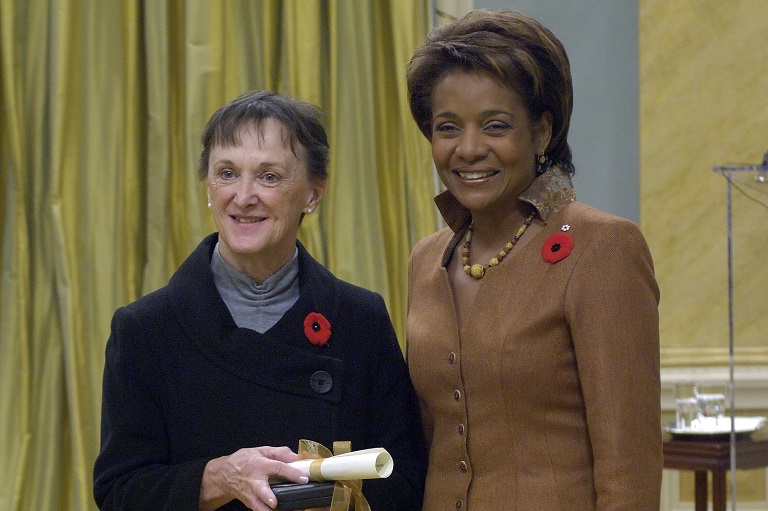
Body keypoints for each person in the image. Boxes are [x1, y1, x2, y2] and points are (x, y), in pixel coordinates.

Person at [93, 90, 427, 511]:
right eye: (227, 173)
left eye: (269, 177)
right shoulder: (146, 328)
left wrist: (328, 494)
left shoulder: (361, 318)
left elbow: (406, 478)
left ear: (313, 193)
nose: (244, 195)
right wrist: (215, 478)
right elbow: (119, 491)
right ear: (209, 187)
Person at [404, 9, 661, 511]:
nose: (469, 149)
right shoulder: (426, 260)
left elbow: (628, 467)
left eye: (495, 126)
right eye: (448, 127)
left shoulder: (603, 248)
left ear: (542, 132)